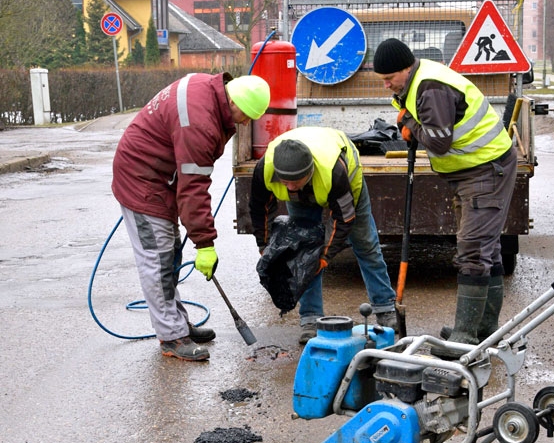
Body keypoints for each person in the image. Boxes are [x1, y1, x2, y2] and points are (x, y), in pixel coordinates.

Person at [372, 38, 517, 358]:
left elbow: (438, 143)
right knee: (485, 248)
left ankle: (466, 336)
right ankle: (483, 330)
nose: (386, 85)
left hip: (486, 168)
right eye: (382, 80)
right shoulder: (415, 83)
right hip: (472, 170)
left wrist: (410, 124)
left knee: (474, 249)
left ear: (406, 68)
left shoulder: (430, 89)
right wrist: (410, 121)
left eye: (389, 78)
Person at [112, 73, 271, 361]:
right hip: (142, 180)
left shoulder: (210, 91)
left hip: (160, 175)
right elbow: (194, 190)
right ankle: (171, 337)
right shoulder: (199, 124)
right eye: (246, 116)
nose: (245, 123)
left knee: (170, 254)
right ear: (233, 102)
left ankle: (177, 324)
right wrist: (205, 244)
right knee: (158, 261)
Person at [248, 126, 398, 344]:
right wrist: (264, 246)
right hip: (310, 185)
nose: (290, 187)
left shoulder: (334, 172)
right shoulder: (265, 170)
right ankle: (311, 319)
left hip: (345, 184)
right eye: (285, 181)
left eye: (296, 181)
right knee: (304, 253)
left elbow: (344, 219)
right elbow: (259, 210)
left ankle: (385, 308)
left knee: (366, 245)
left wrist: (325, 257)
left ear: (309, 171)